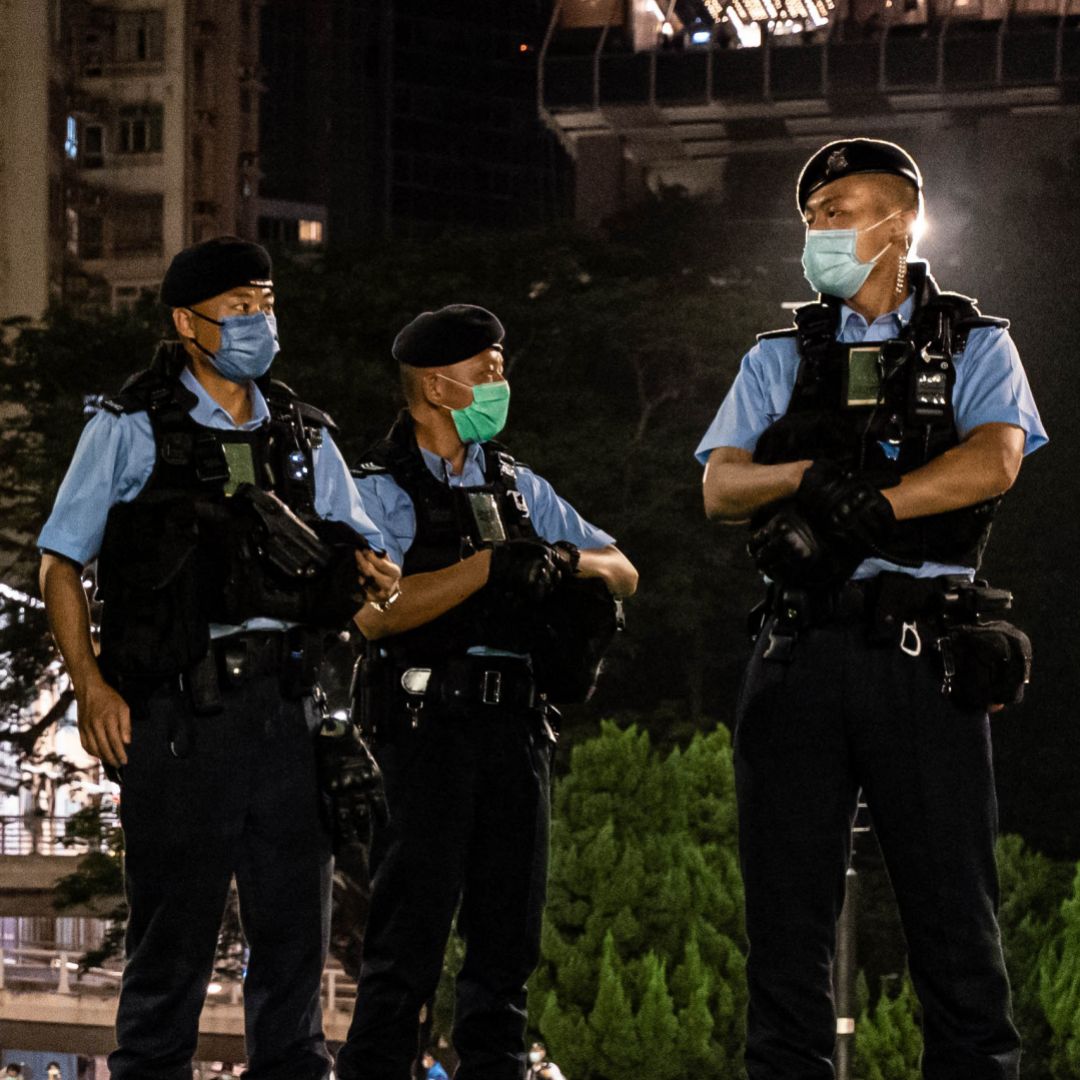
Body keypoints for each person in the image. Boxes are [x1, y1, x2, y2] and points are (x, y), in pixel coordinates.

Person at [696, 138, 1046, 1079]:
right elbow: (722, 487)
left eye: (842, 211)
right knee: (785, 935)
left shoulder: (976, 342)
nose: (822, 230)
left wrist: (878, 506)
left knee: (954, 928)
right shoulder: (779, 354)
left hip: (920, 655)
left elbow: (996, 460)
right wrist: (814, 477)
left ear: (901, 223)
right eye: (812, 217)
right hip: (798, 652)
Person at [38, 236, 400, 1080]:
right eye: (238, 309)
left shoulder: (304, 434)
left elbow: (368, 555)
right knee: (169, 964)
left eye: (266, 305)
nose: (257, 323)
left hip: (289, 717)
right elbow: (59, 562)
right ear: (186, 322)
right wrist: (89, 684)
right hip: (178, 724)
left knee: (294, 968)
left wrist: (374, 571)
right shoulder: (130, 427)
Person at [334, 305, 638, 1080]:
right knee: (406, 950)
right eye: (488, 368)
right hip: (424, 730)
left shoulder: (518, 484)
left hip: (518, 730)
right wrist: (487, 569)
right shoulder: (378, 488)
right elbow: (372, 614)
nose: (502, 380)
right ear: (438, 386)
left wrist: (558, 560)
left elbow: (623, 569)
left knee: (506, 951)